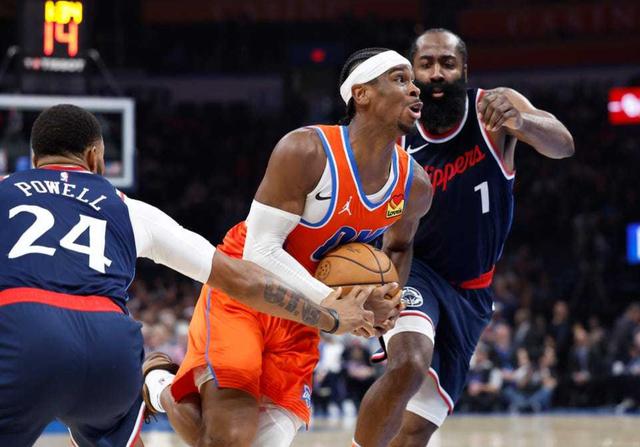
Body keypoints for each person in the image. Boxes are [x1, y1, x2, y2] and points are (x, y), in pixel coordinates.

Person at [0, 104, 375, 447]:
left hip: (24, 329)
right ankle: (152, 386)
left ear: (33, 160)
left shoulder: (5, 190)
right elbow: (242, 280)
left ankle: (156, 386)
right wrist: (329, 316)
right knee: (110, 428)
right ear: (95, 156)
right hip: (108, 346)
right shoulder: (129, 208)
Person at [142, 48, 433, 447]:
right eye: (400, 79)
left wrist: (388, 300)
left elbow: (400, 247)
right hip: (244, 290)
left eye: (413, 81)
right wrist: (331, 303)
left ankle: (160, 385)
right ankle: (160, 383)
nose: (415, 89)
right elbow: (260, 251)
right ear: (362, 94)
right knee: (230, 438)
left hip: (304, 315)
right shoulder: (307, 151)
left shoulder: (414, 185)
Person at [354, 28, 574, 447]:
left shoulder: (495, 109)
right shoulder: (395, 133)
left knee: (417, 428)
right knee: (409, 363)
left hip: (472, 292)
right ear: (411, 74)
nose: (437, 73)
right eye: (426, 64)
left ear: (465, 71)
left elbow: (563, 145)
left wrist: (522, 122)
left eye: (447, 63)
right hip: (416, 268)